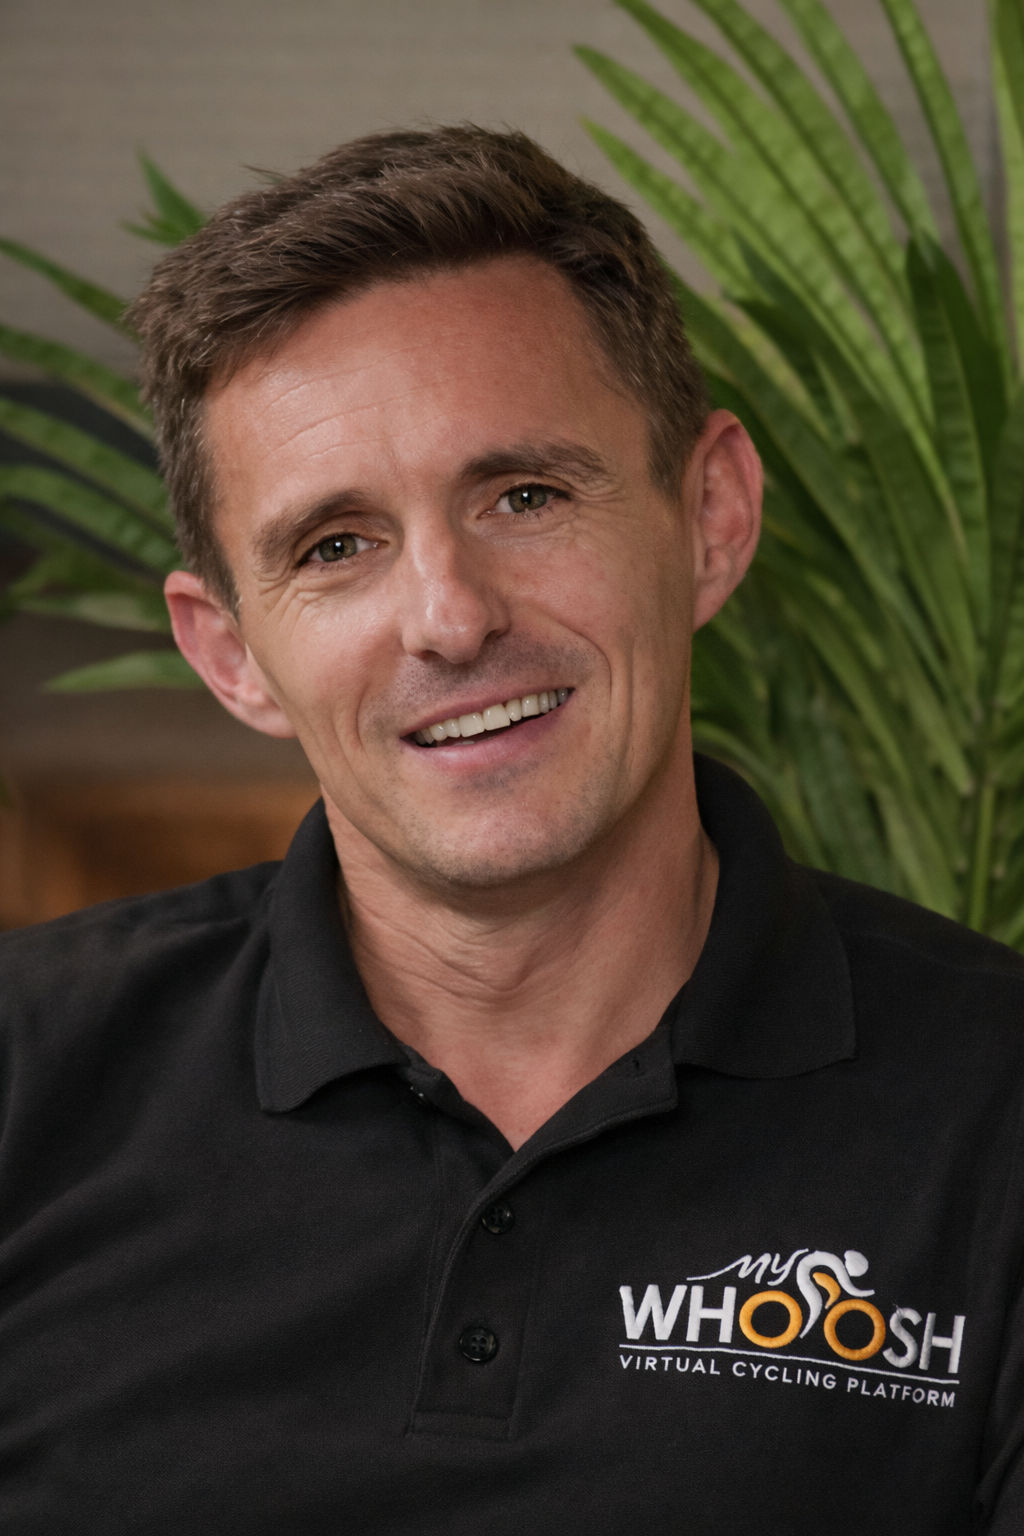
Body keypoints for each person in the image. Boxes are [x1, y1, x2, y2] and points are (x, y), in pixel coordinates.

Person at [0, 127, 1020, 1536]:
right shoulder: (26, 1080)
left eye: (524, 496)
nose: (452, 617)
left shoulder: (998, 1109)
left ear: (710, 515)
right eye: (336, 546)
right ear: (230, 652)